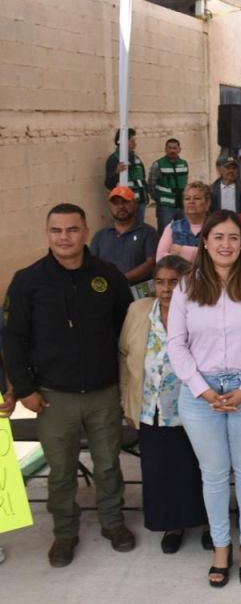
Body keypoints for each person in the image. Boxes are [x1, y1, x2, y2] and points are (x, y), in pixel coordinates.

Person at [4, 203, 135, 568]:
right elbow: (13, 339)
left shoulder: (108, 276)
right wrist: (25, 389)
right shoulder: (27, 281)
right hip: (51, 397)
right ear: (47, 234)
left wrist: (129, 386)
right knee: (60, 471)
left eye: (72, 230)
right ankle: (64, 532)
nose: (65, 237)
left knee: (108, 463)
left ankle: (114, 522)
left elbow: (127, 330)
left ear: (86, 232)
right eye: (57, 231)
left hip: (103, 392)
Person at [167, 209, 241, 587]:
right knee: (213, 475)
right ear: (205, 242)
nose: (226, 244)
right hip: (202, 395)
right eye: (219, 237)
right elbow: (176, 345)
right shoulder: (186, 287)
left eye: (234, 237)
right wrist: (204, 390)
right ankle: (221, 548)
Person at [119, 255, 207, 553]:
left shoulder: (200, 312)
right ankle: (173, 525)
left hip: (192, 409)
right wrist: (126, 402)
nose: (167, 289)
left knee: (198, 469)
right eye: (160, 282)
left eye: (174, 282)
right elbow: (125, 355)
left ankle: (208, 523)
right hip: (150, 408)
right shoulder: (138, 310)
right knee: (161, 472)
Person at [90, 186, 158, 284]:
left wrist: (120, 279)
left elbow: (151, 263)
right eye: (116, 203)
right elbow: (91, 265)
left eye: (125, 202)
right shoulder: (100, 236)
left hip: (139, 292)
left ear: (135, 204)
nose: (121, 206)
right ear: (110, 206)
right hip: (108, 290)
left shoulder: (148, 232)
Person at [157, 181, 211, 263]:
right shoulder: (172, 227)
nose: (191, 201)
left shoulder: (215, 227)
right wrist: (198, 253)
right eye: (187, 198)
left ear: (207, 203)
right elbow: (160, 259)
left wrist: (181, 250)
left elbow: (214, 257)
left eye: (197, 198)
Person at [148, 138, 189, 233]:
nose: (172, 150)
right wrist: (158, 199)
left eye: (175, 148)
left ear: (179, 149)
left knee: (183, 232)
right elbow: (151, 185)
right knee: (164, 232)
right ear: (165, 149)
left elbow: (185, 182)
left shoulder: (184, 164)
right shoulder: (158, 164)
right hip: (165, 205)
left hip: (181, 205)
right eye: (170, 148)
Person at [104, 127, 147, 204]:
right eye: (132, 141)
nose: (135, 144)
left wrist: (146, 195)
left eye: (135, 141)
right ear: (123, 141)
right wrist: (116, 173)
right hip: (125, 204)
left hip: (140, 201)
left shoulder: (136, 158)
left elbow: (142, 179)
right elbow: (108, 184)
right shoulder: (114, 159)